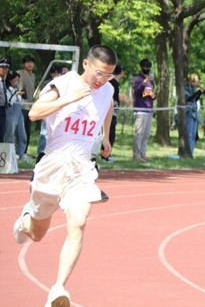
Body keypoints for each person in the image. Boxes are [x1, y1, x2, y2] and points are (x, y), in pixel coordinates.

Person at [12, 45, 117, 307]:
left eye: (109, 75)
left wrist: (105, 136)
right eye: (99, 73)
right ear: (86, 65)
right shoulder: (63, 84)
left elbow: (109, 104)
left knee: (78, 222)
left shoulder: (107, 89)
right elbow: (34, 113)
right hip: (52, 166)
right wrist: (69, 99)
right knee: (37, 233)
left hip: (81, 168)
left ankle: (57, 290)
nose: (102, 79)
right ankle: (25, 221)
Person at [132, 58, 155, 161]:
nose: (147, 69)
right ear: (141, 67)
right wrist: (144, 83)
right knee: (139, 133)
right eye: (145, 67)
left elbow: (152, 91)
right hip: (140, 109)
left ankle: (143, 153)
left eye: (149, 67)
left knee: (146, 134)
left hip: (149, 109)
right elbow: (136, 92)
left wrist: (153, 95)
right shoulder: (138, 79)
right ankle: (136, 155)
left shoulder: (151, 80)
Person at [5, 70, 28, 159]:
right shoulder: (6, 89)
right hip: (10, 113)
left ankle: (21, 153)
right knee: (10, 133)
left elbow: (21, 103)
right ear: (10, 80)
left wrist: (22, 95)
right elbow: (9, 102)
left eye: (18, 80)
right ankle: (9, 153)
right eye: (15, 80)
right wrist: (16, 94)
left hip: (19, 113)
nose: (17, 82)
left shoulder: (16, 89)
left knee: (22, 133)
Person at [18, 54, 36, 154]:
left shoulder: (33, 76)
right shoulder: (19, 73)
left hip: (30, 106)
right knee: (20, 130)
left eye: (31, 62)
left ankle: (24, 152)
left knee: (27, 130)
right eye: (27, 62)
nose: (29, 64)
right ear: (24, 64)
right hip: (21, 105)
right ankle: (19, 151)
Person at [184, 72, 205, 155]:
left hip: (194, 112)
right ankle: (188, 151)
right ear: (191, 81)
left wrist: (200, 93)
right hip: (188, 112)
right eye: (196, 82)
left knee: (193, 134)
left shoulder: (193, 89)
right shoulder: (186, 88)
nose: (197, 83)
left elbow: (194, 100)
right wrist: (197, 92)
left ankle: (191, 151)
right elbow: (188, 99)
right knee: (189, 134)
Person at [0, 57, 11, 141]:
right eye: (2, 67)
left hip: (3, 109)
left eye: (6, 67)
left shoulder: (3, 80)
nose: (4, 69)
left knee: (1, 133)